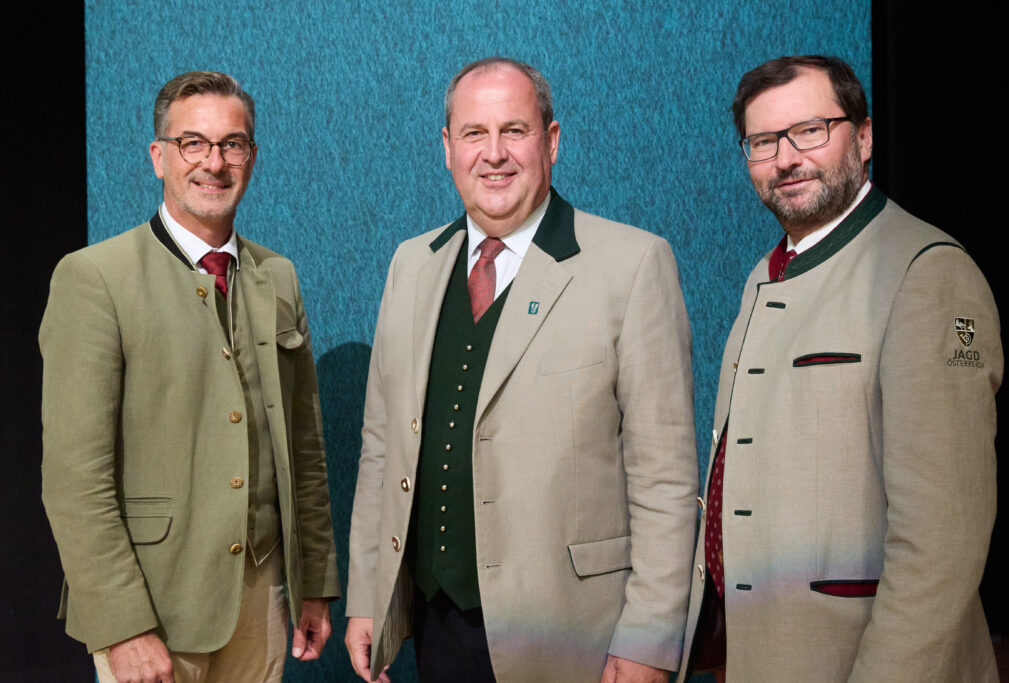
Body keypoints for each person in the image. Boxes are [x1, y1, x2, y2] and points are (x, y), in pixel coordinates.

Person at [344, 57, 698, 682]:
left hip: (576, 634)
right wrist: (370, 595)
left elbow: (665, 479)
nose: (494, 154)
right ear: (447, 148)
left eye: (515, 130)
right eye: (474, 134)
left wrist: (650, 640)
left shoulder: (633, 265)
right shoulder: (411, 265)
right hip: (436, 625)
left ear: (551, 141)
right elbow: (381, 448)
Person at [680, 55, 1002, 681]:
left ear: (865, 136)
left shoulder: (927, 274)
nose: (786, 158)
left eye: (811, 130)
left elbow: (942, 544)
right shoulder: (763, 275)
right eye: (764, 141)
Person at [39, 71, 340, 683]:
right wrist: (122, 626)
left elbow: (303, 448)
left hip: (261, 604)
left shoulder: (278, 276)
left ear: (251, 157)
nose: (214, 162)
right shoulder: (95, 278)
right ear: (159, 157)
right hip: (153, 608)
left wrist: (313, 583)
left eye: (233, 144)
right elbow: (75, 481)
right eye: (193, 143)